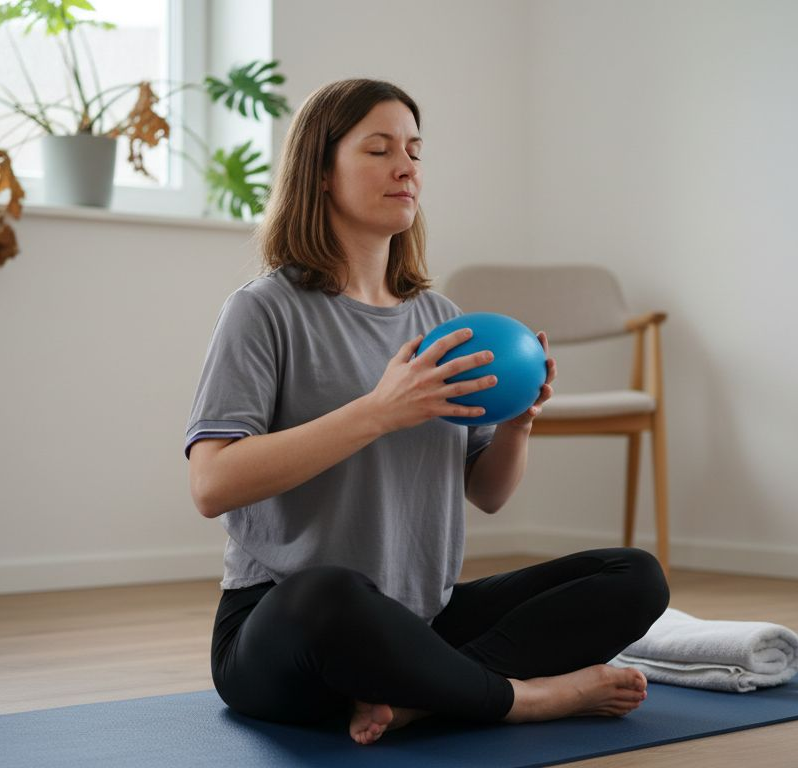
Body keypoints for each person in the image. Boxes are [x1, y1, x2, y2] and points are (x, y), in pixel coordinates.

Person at [184, 78, 669, 746]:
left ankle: (421, 696)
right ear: (320, 173)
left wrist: (520, 421)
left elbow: (488, 494)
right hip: (290, 629)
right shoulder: (263, 310)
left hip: (421, 622)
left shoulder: (440, 319)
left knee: (634, 578)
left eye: (414, 149)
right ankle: (521, 699)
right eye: (379, 149)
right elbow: (212, 485)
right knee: (332, 593)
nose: (406, 166)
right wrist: (378, 411)